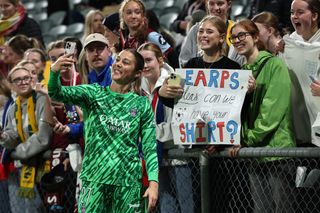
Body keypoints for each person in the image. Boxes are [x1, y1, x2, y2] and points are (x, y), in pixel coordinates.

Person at [48, 48, 159, 212]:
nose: (118, 64)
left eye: (126, 62)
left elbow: (149, 148)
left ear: (137, 73)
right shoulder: (92, 93)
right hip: (94, 180)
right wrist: (54, 72)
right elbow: (56, 93)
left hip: (128, 183)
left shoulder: (142, 105)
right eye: (118, 60)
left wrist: (153, 184)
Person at [229, 19, 296, 213]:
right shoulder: (239, 74)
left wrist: (247, 139)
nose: (237, 40)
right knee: (261, 210)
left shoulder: (275, 65)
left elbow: (271, 112)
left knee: (282, 209)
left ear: (256, 37)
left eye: (242, 35)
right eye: (233, 37)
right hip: (254, 156)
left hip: (278, 153)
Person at [138, 42, 195, 213]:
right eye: (141, 61)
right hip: (156, 155)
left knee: (187, 207)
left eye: (149, 60)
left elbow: (178, 122)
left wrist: (149, 135)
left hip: (178, 155)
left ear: (161, 61)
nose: (145, 65)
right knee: (166, 206)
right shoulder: (139, 84)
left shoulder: (174, 80)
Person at [0, 65, 52, 213]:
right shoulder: (12, 108)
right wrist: (3, 136)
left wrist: (16, 153)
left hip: (44, 166)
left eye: (26, 78)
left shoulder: (41, 99)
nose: (23, 82)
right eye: (18, 80)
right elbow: (12, 136)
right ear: (11, 85)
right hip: (26, 167)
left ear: (31, 79)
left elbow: (44, 137)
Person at [280, 0, 320, 146]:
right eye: (292, 12)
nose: (294, 16)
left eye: (300, 12)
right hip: (299, 128)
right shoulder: (290, 42)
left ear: (315, 15)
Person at [117, 0, 179, 68]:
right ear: (123, 16)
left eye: (137, 12)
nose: (133, 16)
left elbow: (174, 59)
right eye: (129, 13)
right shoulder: (126, 39)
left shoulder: (151, 36)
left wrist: (175, 78)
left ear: (143, 16)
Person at [179, 0, 241, 67]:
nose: (216, 8)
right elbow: (184, 62)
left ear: (229, 4)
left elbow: (243, 62)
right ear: (206, 4)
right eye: (211, 4)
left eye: (220, 4)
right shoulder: (195, 30)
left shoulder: (237, 30)